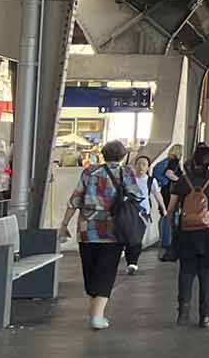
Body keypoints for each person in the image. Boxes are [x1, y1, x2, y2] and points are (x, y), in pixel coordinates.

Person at [58, 139, 145, 330]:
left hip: (87, 230)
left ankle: (95, 312)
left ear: (103, 155)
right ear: (123, 156)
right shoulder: (126, 172)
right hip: (113, 231)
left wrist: (64, 224)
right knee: (106, 272)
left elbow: (74, 200)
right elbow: (138, 196)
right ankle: (97, 316)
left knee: (90, 270)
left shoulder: (89, 172)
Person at [166, 144, 209, 328]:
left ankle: (183, 311)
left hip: (187, 233)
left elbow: (171, 209)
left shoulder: (183, 180)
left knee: (186, 271)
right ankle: (205, 316)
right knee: (206, 273)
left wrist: (173, 227)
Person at [152, 150, 183, 261]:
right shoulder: (174, 161)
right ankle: (168, 241)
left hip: (165, 190)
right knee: (170, 215)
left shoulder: (164, 161)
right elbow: (169, 173)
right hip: (170, 192)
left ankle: (165, 240)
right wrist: (181, 181)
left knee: (164, 215)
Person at [127, 153, 156, 273]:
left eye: (144, 164)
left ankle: (133, 262)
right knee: (129, 238)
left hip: (143, 214)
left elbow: (157, 194)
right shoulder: (129, 180)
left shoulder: (151, 181)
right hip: (129, 212)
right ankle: (130, 260)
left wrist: (164, 209)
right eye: (138, 164)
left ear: (148, 167)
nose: (141, 166)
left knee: (137, 238)